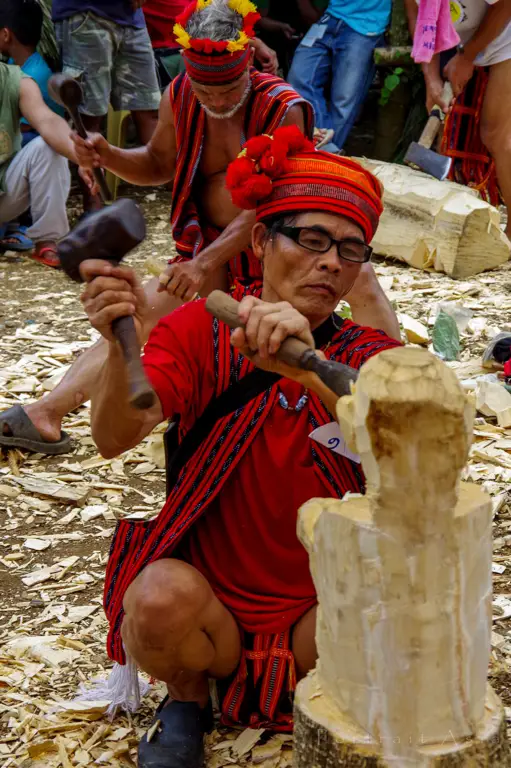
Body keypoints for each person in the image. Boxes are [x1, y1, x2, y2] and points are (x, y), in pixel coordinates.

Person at [79, 127, 402, 768]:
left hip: (318, 612)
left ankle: (311, 691)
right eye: (310, 239)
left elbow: (407, 446)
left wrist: (305, 369)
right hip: (213, 608)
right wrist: (122, 345)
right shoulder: (198, 330)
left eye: (350, 248)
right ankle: (189, 697)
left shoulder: (369, 358)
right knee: (156, 599)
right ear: (260, 241)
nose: (331, 262)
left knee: (399, 608)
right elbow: (113, 437)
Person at [0, 0, 399, 456]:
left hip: (272, 250)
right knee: (144, 310)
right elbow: (156, 163)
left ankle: (404, 386)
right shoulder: (181, 94)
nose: (217, 102)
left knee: (359, 276)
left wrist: (202, 263)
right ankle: (46, 413)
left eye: (228, 89)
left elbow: (277, 203)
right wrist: (107, 153)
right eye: (206, 92)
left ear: (248, 60)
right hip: (208, 245)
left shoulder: (284, 108)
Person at [405, 0, 511, 239]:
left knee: (497, 136)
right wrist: (430, 79)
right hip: (460, 40)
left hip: (506, 33)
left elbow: (505, 5)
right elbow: (419, 17)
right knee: (446, 132)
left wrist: (466, 58)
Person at [52, 0, 161, 213]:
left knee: (150, 109)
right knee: (90, 116)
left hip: (132, 19)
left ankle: (179, 192)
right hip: (86, 14)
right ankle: (94, 208)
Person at [0, 0, 65, 253]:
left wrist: (81, 153)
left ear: (6, 35)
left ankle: (40, 235)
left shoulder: (20, 77)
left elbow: (46, 121)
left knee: (45, 144)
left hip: (9, 179)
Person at [0, 62, 79, 267]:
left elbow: (48, 121)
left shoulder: (16, 80)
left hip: (4, 191)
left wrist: (80, 156)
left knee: (49, 145)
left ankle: (47, 240)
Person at [288, 0, 391, 151]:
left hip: (367, 24)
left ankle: (325, 156)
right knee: (298, 77)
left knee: (344, 100)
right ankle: (326, 150)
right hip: (331, 16)